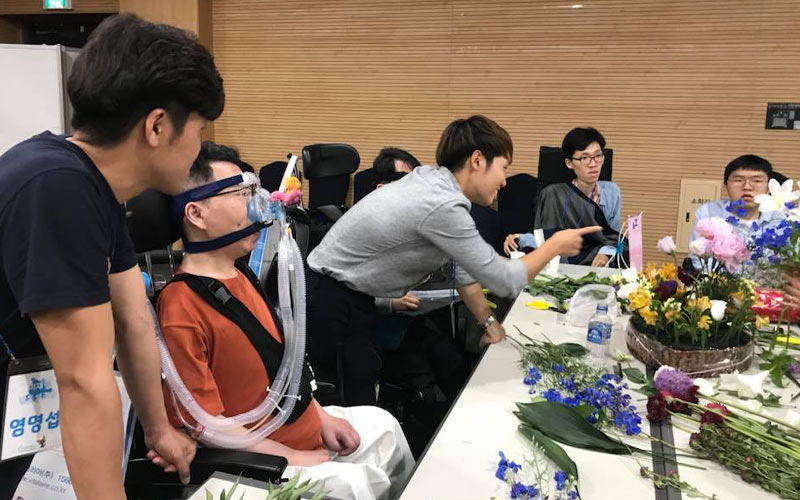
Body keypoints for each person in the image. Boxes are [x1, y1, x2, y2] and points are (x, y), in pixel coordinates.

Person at [0, 13, 224, 500]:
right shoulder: (55, 186)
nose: (198, 149)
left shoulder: (93, 184)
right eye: (199, 130)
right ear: (158, 126)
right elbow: (84, 381)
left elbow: (133, 318)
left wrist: (159, 428)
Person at [157, 142, 414, 500]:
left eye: (251, 190)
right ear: (196, 214)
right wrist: (293, 457)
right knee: (354, 485)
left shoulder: (241, 277)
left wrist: (320, 417)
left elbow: (284, 368)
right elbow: (206, 428)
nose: (255, 203)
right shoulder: (182, 308)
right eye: (240, 193)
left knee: (385, 427)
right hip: (259, 455)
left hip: (295, 423)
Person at [306, 115, 600, 406]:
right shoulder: (442, 204)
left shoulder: (434, 183)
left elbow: (461, 270)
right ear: (477, 160)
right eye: (503, 168)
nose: (504, 182)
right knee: (350, 409)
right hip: (331, 302)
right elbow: (505, 280)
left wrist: (488, 323)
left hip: (344, 297)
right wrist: (553, 246)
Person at [504, 127, 622, 267]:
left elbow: (614, 238)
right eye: (584, 158)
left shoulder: (612, 192)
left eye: (598, 156)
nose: (593, 164)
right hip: (560, 265)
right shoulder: (553, 195)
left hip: (596, 266)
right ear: (569, 163)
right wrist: (519, 238)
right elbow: (546, 238)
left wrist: (605, 253)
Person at [691, 155, 784, 241]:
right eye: (738, 180)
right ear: (726, 186)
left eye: (757, 180)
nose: (747, 187)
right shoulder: (709, 213)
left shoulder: (780, 219)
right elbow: (699, 255)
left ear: (769, 188)